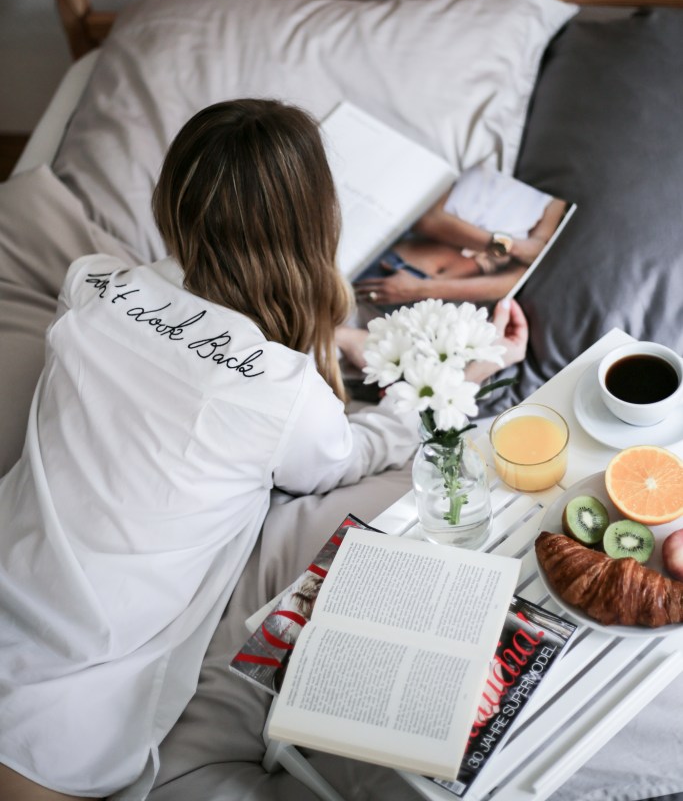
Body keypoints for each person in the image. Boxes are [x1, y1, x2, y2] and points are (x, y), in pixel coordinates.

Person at [0, 99, 528, 801]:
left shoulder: (93, 282)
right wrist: (461, 380)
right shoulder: (285, 394)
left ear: (170, 203)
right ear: (317, 225)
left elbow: (180, 329)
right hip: (67, 692)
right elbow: (345, 457)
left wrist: (331, 338)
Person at [354, 175, 568, 308]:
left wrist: (422, 289)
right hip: (392, 274)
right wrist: (506, 247)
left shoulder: (556, 193)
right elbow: (428, 220)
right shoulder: (482, 161)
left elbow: (529, 263)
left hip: (447, 304)